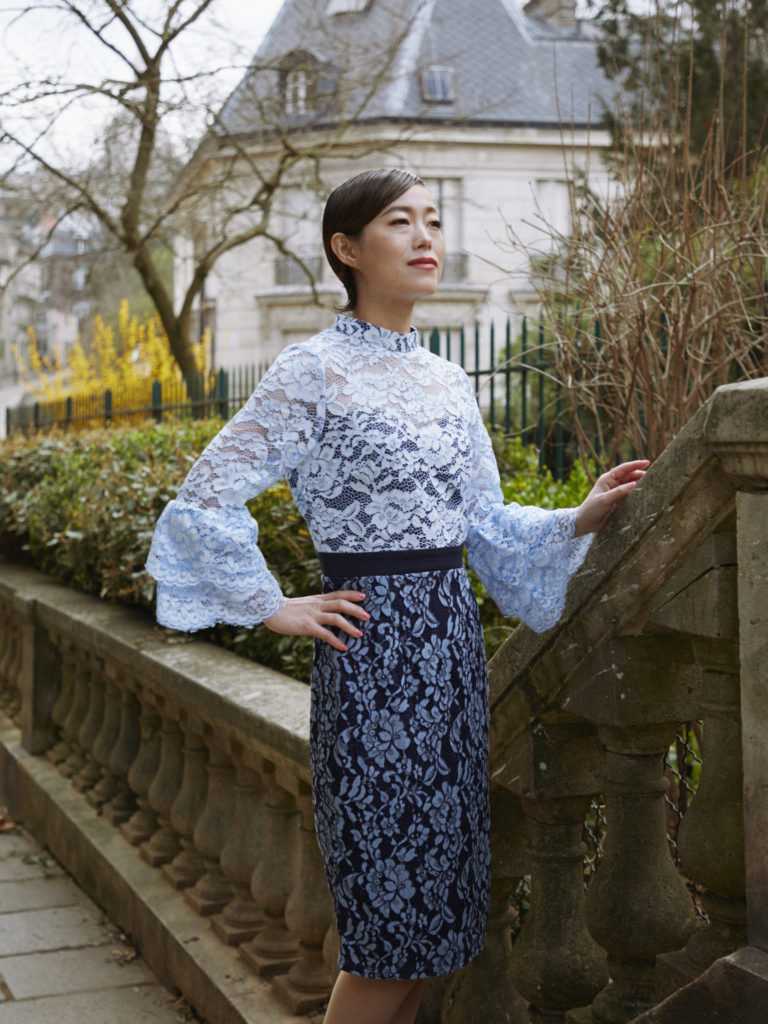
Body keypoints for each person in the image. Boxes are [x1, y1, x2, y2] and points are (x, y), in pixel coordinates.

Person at [146, 167, 647, 1024]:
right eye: (399, 222)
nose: (426, 238)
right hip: (372, 660)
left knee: (431, 931)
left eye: (433, 220)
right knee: (388, 932)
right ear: (347, 249)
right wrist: (274, 606)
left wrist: (578, 517)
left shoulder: (449, 380)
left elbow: (482, 523)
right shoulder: (311, 368)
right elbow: (204, 497)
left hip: (450, 659)